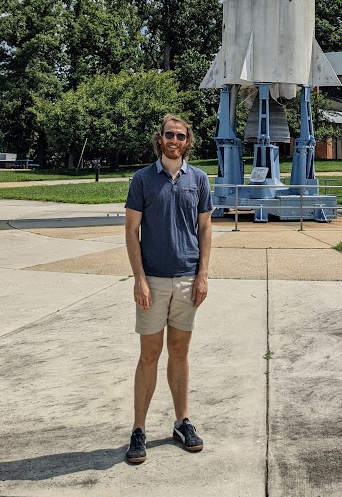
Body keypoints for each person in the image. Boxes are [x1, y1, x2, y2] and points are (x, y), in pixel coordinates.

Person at [124, 114, 213, 465]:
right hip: (154, 281)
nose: (174, 140)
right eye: (169, 135)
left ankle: (181, 422)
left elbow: (204, 229)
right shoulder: (143, 179)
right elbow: (132, 231)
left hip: (187, 279)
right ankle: (139, 429)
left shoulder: (200, 179)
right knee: (149, 355)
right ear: (159, 138)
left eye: (180, 135)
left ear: (187, 141)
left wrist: (203, 274)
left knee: (180, 353)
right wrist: (139, 279)